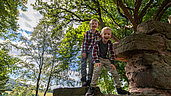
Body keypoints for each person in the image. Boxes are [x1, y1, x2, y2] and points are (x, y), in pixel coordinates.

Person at [86, 27, 130, 95]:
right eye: (105, 34)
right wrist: (96, 61)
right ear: (101, 35)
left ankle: (119, 89)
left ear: (110, 35)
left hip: (106, 60)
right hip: (99, 59)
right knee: (97, 71)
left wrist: (112, 63)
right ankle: (92, 87)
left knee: (114, 72)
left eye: (108, 34)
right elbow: (94, 52)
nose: (106, 35)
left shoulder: (110, 43)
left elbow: (112, 53)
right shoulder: (97, 42)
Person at [81, 19, 101, 87]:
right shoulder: (87, 33)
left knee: (91, 63)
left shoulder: (98, 34)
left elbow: (104, 40)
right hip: (85, 49)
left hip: (92, 51)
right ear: (90, 25)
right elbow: (85, 43)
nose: (94, 25)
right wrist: (84, 52)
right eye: (92, 24)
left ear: (97, 26)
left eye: (95, 24)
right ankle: (83, 80)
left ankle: (89, 80)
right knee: (83, 64)